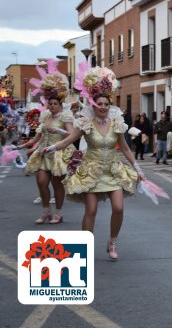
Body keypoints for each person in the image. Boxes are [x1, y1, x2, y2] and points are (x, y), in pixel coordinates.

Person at [46, 66, 143, 260]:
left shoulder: (116, 123)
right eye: (99, 104)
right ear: (93, 105)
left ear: (109, 105)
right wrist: (51, 147)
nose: (103, 107)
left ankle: (112, 242)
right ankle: (85, 246)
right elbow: (69, 139)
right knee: (91, 210)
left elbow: (124, 148)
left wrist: (138, 168)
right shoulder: (85, 123)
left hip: (113, 170)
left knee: (119, 208)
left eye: (106, 104)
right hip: (91, 171)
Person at [18, 67, 73, 224]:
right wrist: (21, 147)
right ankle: (46, 211)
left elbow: (71, 134)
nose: (52, 106)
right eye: (50, 103)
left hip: (59, 154)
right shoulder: (45, 116)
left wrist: (57, 129)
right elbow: (37, 138)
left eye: (55, 103)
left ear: (60, 104)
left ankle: (58, 213)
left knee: (57, 185)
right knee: (41, 182)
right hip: (44, 153)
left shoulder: (66, 116)